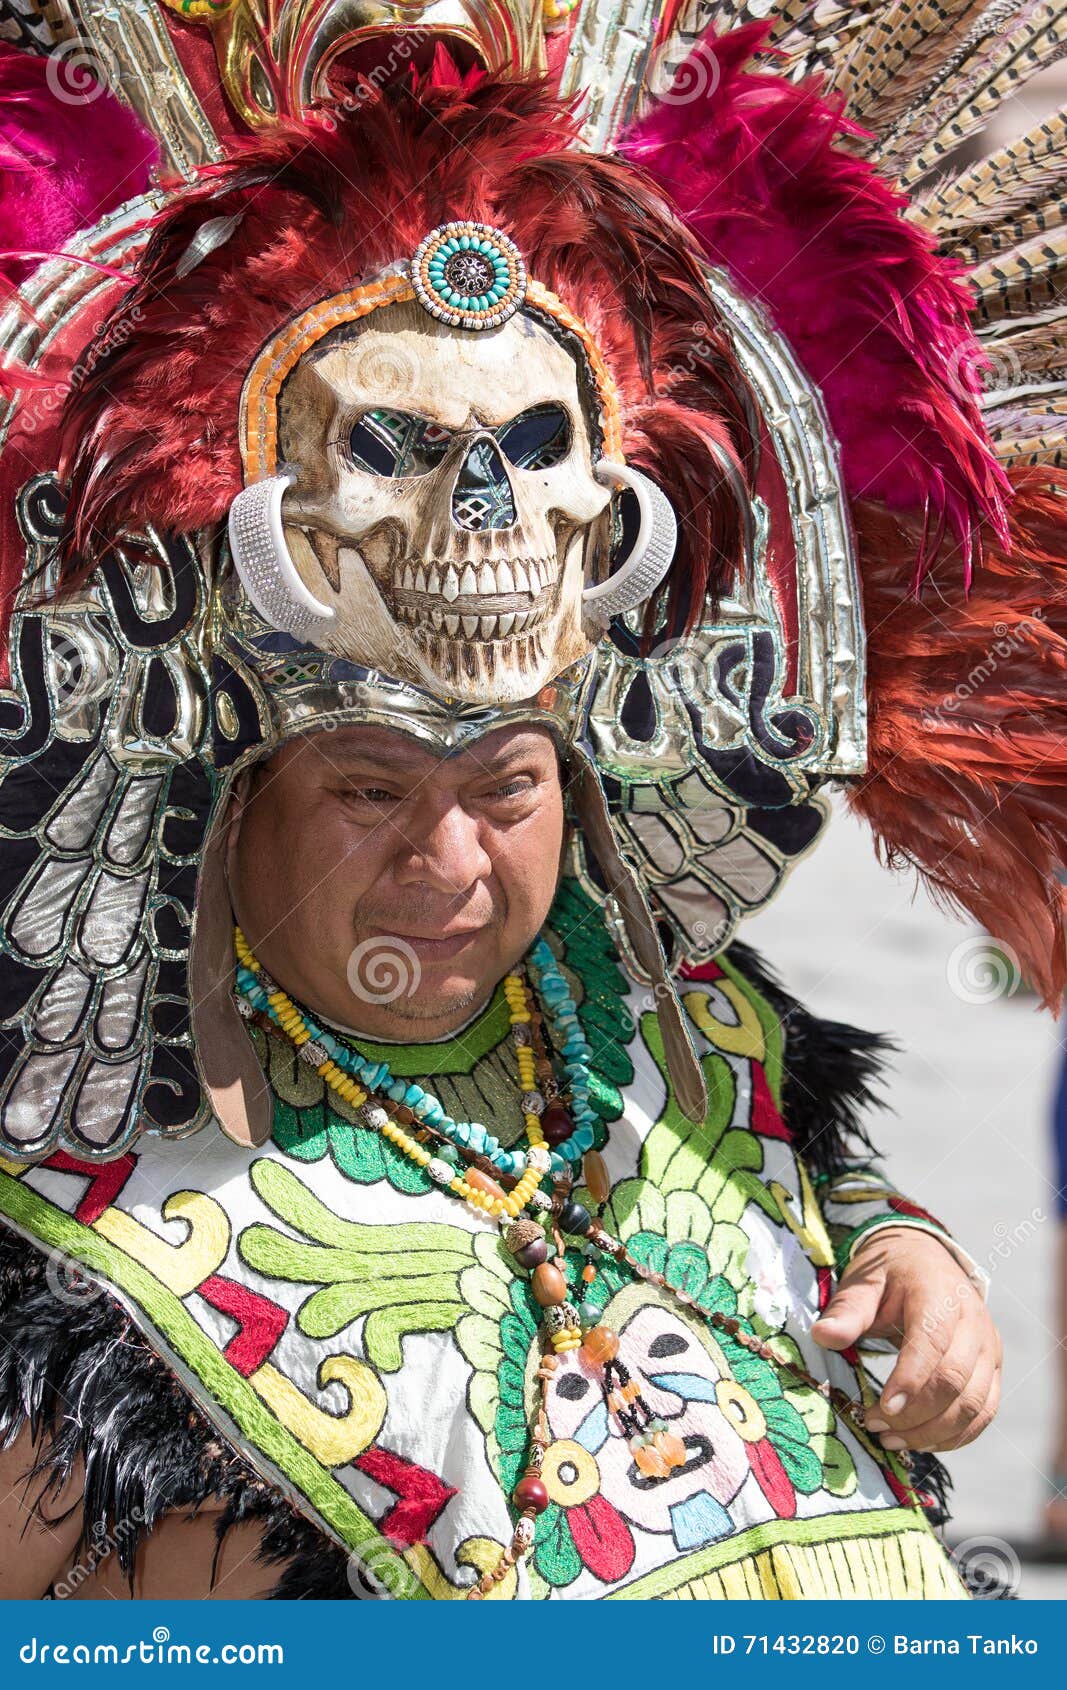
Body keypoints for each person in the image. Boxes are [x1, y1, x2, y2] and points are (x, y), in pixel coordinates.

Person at [0, 6, 1064, 1602]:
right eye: (368, 786)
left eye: (505, 784)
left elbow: (826, 1217)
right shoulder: (74, 1222)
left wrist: (921, 1270)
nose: (448, 862)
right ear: (234, 794)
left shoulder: (679, 1031)